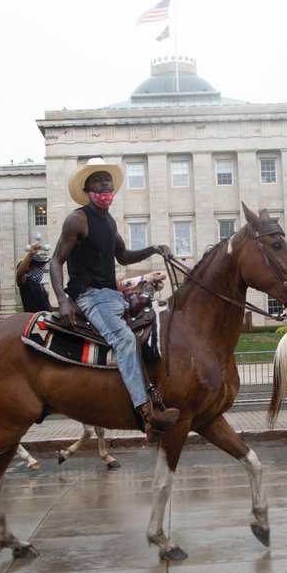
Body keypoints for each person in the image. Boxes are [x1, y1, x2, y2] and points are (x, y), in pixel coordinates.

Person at [50, 157, 180, 442]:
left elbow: (123, 256)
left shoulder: (108, 221)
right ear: (87, 189)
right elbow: (56, 260)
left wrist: (154, 249)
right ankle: (146, 413)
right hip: (90, 296)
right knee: (124, 340)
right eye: (98, 180)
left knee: (156, 324)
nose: (105, 184)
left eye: (107, 179)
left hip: (113, 294)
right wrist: (62, 299)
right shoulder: (78, 219)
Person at [15, 242, 52, 313]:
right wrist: (31, 254)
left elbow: (48, 307)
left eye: (41, 266)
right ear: (28, 268)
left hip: (44, 317)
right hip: (32, 318)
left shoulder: (40, 286)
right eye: (37, 266)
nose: (40, 269)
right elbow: (20, 274)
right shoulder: (26, 282)